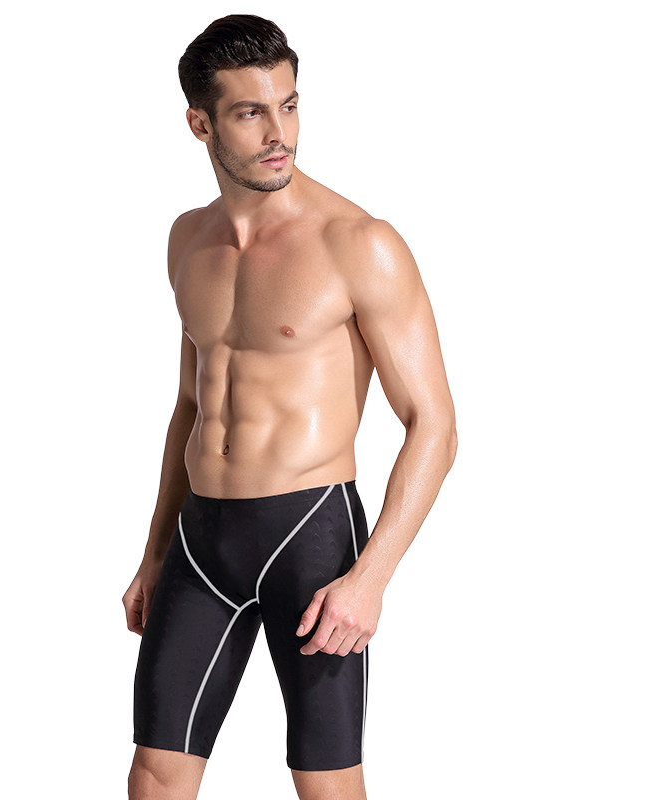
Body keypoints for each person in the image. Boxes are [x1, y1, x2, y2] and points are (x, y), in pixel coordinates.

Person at [122, 13, 457, 800]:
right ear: (201, 124)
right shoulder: (187, 240)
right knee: (155, 775)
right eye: (250, 112)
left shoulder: (358, 242)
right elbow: (191, 403)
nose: (280, 133)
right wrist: (155, 548)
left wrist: (370, 578)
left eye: (290, 105)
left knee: (325, 782)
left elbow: (434, 425)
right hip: (201, 539)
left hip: (310, 541)